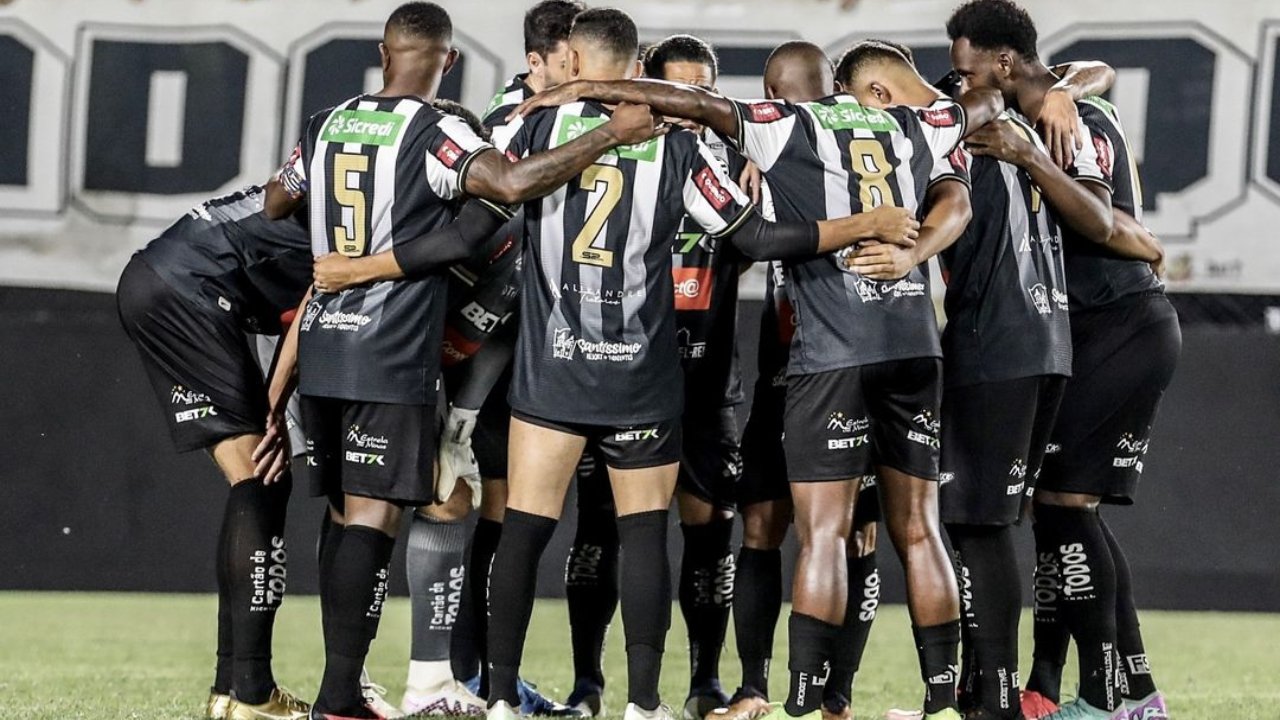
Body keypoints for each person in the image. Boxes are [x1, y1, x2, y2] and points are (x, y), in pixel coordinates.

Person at [510, 36, 1004, 720]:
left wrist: (584, 92)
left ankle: (798, 701)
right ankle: (941, 703)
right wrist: (916, 245)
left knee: (822, 532)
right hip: (916, 347)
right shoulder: (917, 124)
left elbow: (694, 105)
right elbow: (974, 128)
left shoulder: (781, 129)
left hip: (827, 355)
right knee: (917, 529)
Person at [256, 3, 667, 718]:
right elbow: (505, 190)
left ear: (383, 51)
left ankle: (399, 683)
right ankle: (370, 691)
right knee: (388, 515)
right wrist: (609, 132)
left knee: (355, 513)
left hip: (324, 341)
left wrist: (347, 246)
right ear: (448, 61)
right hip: (394, 347)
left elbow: (275, 200)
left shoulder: (326, 122)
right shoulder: (450, 128)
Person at [839, 38, 1115, 719]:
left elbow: (941, 217)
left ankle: (989, 703)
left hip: (996, 347)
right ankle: (978, 696)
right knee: (984, 522)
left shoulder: (948, 137)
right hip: (1048, 340)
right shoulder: (1011, 128)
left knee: (975, 525)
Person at [946, 2, 1179, 719]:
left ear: (1004, 63)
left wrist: (1032, 156)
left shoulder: (1061, 122)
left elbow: (1102, 220)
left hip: (1115, 321)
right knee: (1062, 511)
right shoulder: (1058, 97)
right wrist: (1069, 86)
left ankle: (1109, 696)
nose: (959, 84)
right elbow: (1082, 72)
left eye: (966, 69)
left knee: (1065, 508)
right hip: (1089, 324)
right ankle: (1105, 688)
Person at [115, 185, 313, 720]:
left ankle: (231, 692)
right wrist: (275, 408)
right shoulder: (375, 215)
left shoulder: (341, 171)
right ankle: (250, 692)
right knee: (264, 478)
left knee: (256, 480)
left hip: (158, 279)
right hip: (190, 290)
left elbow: (290, 312)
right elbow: (310, 310)